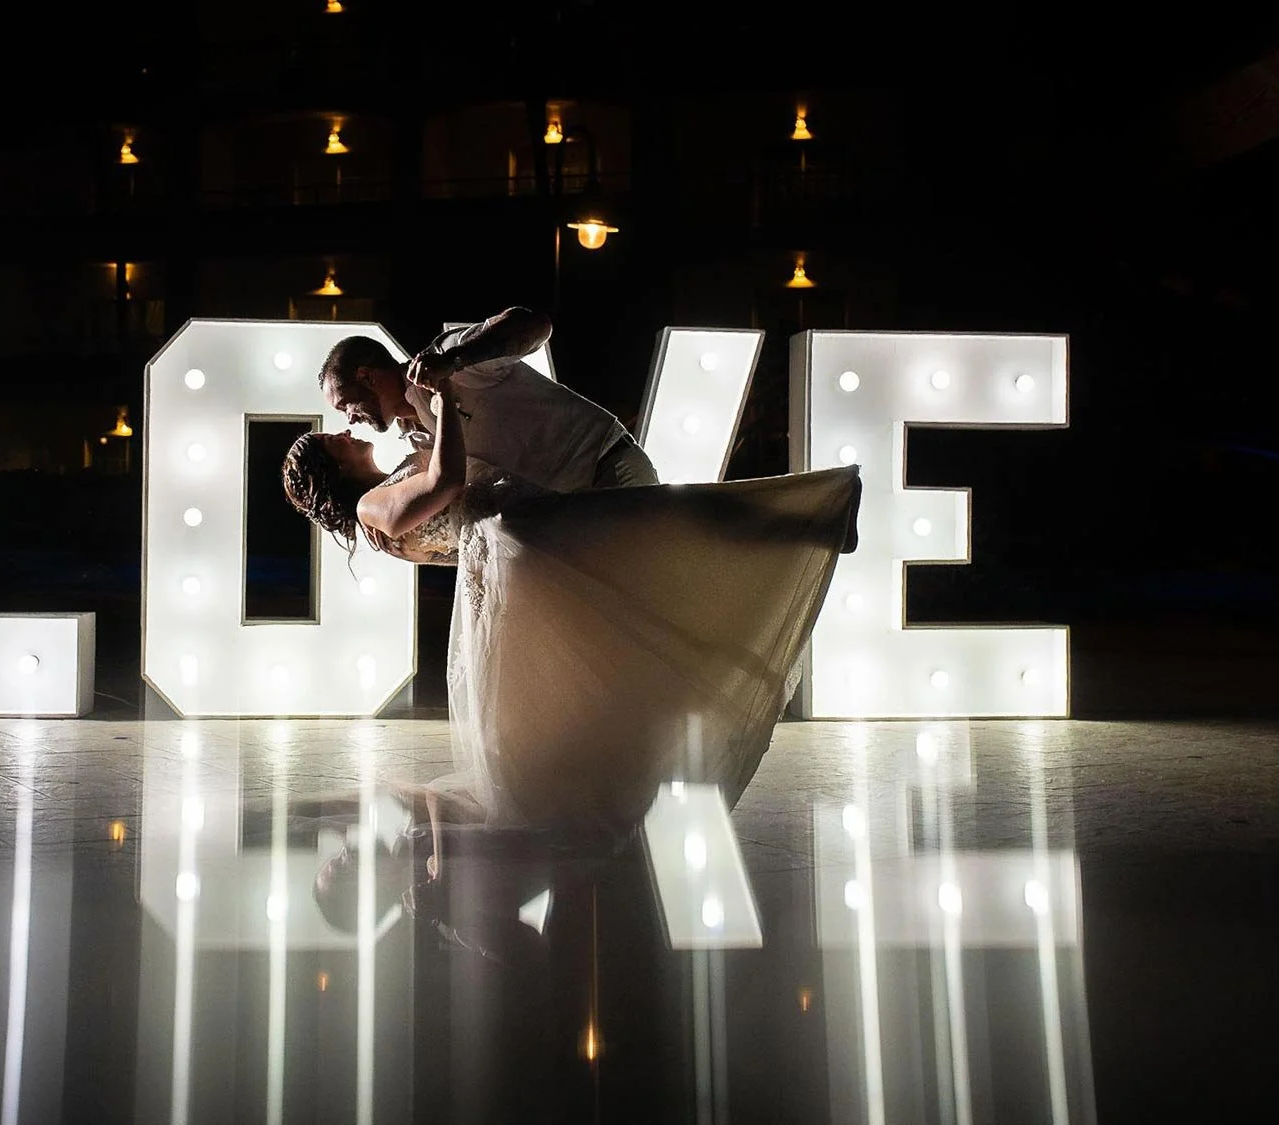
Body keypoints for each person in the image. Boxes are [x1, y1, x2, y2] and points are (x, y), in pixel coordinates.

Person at [282, 363, 863, 835]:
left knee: (675, 546)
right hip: (541, 549)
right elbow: (447, 485)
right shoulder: (370, 508)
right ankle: (814, 519)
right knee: (676, 543)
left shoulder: (392, 473)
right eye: (334, 436)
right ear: (331, 465)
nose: (346, 427)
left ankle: (812, 521)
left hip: (540, 543)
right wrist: (448, 406)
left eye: (342, 416)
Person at [317, 307, 659, 501]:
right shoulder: (412, 439)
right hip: (566, 509)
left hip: (609, 469)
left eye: (345, 404)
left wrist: (456, 360)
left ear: (367, 376)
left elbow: (535, 325)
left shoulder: (448, 354)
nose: (350, 418)